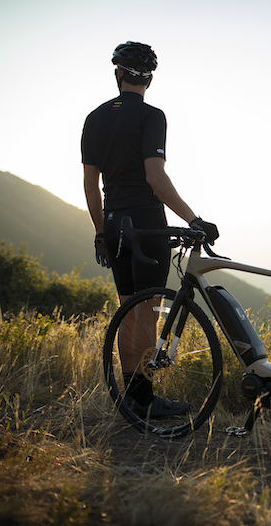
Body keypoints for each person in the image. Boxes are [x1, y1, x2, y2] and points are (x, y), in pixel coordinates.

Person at [81, 41, 218, 418]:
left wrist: (99, 232)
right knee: (148, 310)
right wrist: (193, 220)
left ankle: (134, 396)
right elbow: (154, 178)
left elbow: (91, 186)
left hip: (113, 224)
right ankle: (143, 399)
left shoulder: (94, 118)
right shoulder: (152, 115)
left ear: (118, 74)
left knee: (128, 310)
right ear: (150, 79)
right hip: (146, 225)